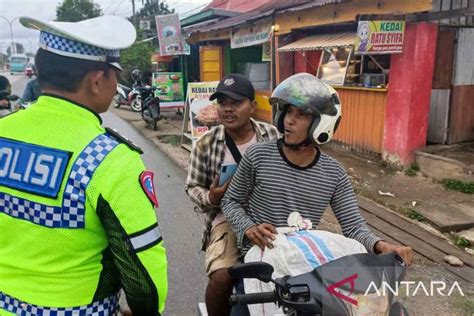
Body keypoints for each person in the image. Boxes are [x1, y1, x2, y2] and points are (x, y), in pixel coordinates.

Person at [0, 15, 167, 316]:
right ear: (97, 80)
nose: (117, 83)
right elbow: (142, 268)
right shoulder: (108, 158)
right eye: (116, 74)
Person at [222, 73, 413, 265]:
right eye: (288, 111)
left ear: (321, 124)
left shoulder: (334, 173)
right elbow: (230, 201)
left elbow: (354, 227)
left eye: (301, 114)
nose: (289, 120)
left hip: (302, 258)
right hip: (258, 254)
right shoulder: (258, 155)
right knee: (221, 279)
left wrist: (383, 246)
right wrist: (249, 228)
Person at [185, 74, 279, 316]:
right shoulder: (205, 144)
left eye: (236, 102)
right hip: (225, 219)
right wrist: (212, 198)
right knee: (222, 278)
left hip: (270, 217)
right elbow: (193, 187)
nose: (228, 109)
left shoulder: (272, 136)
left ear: (253, 106)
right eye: (222, 102)